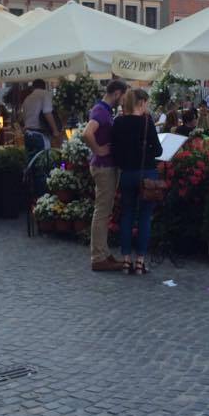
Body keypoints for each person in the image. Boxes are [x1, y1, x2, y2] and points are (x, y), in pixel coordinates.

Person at [111, 88, 162, 275]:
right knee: (145, 218)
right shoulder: (147, 122)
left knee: (127, 216)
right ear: (141, 103)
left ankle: (126, 261)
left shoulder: (118, 122)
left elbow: (115, 152)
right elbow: (158, 150)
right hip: (147, 173)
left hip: (127, 174)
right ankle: (140, 261)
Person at [82, 79, 129, 272]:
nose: (124, 99)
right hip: (103, 167)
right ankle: (98, 257)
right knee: (102, 212)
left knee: (104, 211)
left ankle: (103, 252)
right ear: (117, 93)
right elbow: (87, 133)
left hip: (105, 166)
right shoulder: (101, 110)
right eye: (124, 95)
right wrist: (98, 150)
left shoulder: (104, 110)